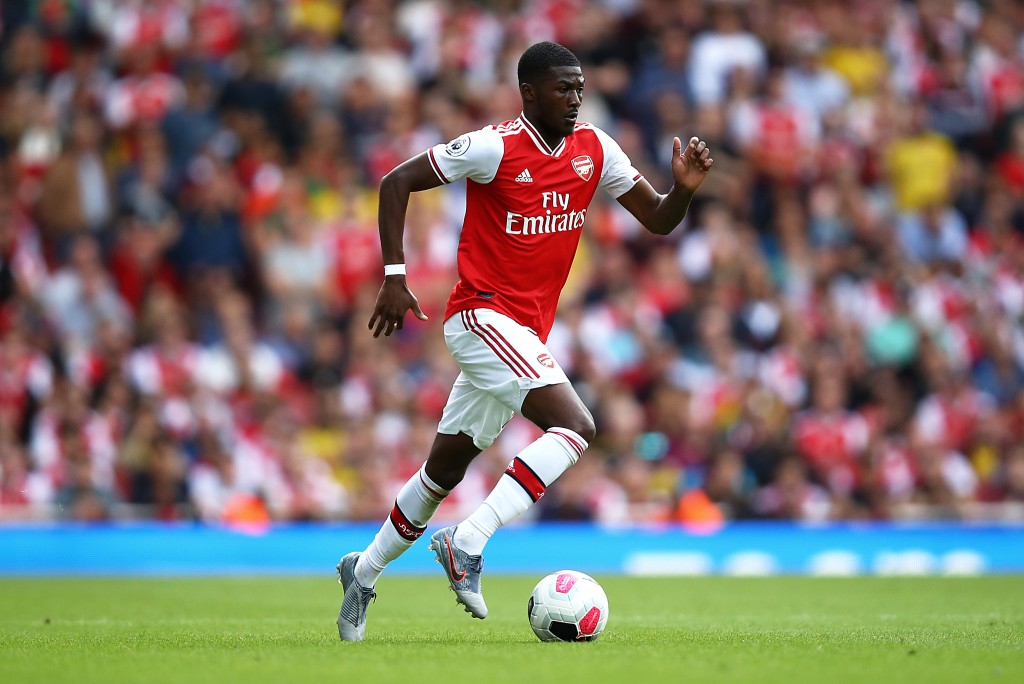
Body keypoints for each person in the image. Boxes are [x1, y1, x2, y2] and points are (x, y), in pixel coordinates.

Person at [336, 41, 713, 641]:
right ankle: (469, 540)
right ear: (529, 93)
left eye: (580, 88)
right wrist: (394, 276)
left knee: (443, 472)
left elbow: (660, 218)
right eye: (563, 88)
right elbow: (394, 182)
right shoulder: (494, 146)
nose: (575, 98)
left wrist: (685, 189)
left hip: (520, 330)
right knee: (577, 427)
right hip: (480, 316)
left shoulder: (595, 148)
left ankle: (364, 570)